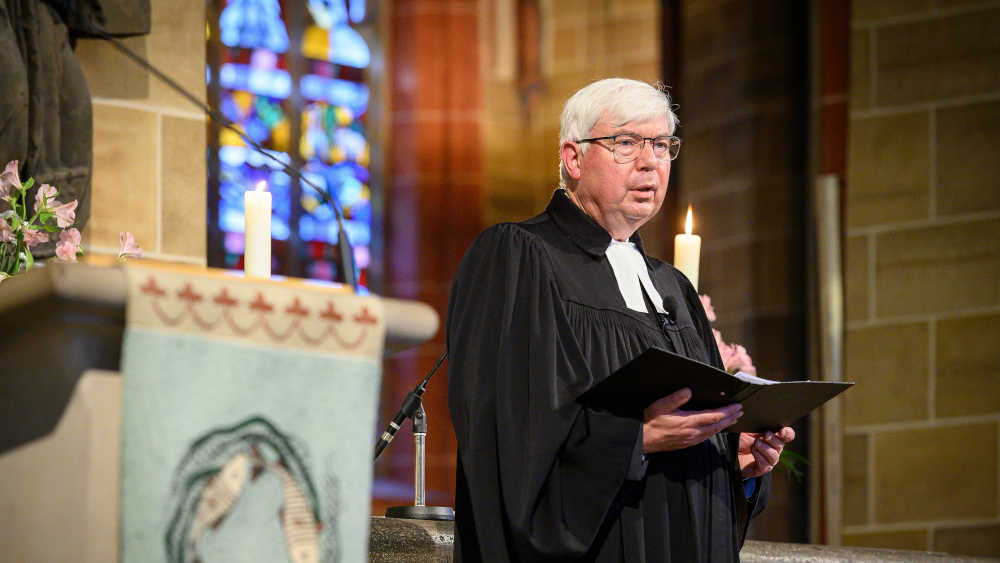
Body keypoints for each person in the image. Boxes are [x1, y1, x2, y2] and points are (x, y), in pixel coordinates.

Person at [446, 78, 795, 562]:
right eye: (626, 143)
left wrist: (730, 459)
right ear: (573, 158)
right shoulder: (520, 257)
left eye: (662, 145)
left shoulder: (673, 288)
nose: (650, 161)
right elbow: (509, 435)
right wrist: (635, 439)